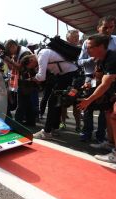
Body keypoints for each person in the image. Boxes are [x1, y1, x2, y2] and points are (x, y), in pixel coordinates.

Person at [21, 46, 79, 139]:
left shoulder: (41, 55)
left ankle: (47, 132)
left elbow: (41, 77)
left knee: (52, 102)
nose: (34, 67)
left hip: (68, 75)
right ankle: (54, 129)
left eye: (32, 66)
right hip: (68, 74)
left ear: (31, 60)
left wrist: (31, 79)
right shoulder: (43, 52)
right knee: (57, 103)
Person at [78, 34, 116, 163]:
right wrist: (89, 84)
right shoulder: (99, 60)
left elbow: (106, 83)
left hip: (112, 89)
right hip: (113, 90)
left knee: (115, 115)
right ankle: (111, 143)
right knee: (108, 113)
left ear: (101, 47)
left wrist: (89, 100)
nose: (87, 50)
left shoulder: (113, 58)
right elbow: (98, 79)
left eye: (90, 47)